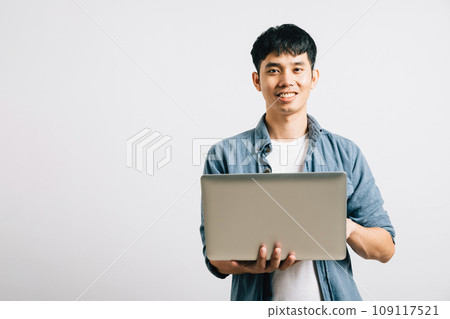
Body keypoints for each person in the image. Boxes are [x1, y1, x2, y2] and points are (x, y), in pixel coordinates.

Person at [199, 24, 395, 301]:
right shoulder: (225, 155)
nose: (286, 80)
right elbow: (215, 256)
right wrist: (246, 266)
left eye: (297, 68)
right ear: (257, 80)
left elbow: (385, 248)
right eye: (273, 69)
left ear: (313, 77)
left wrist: (343, 227)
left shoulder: (345, 152)